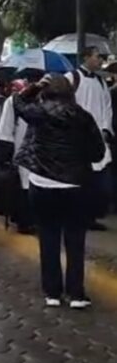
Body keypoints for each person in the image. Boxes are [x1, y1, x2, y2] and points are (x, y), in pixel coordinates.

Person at [15, 75, 105, 308]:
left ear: (47, 92)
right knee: (75, 240)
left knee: (48, 238)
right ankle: (76, 293)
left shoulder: (39, 113)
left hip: (42, 184)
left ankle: (52, 292)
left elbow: (18, 102)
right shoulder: (83, 117)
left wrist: (34, 86)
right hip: (75, 186)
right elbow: (97, 153)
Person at [66, 47, 113, 230]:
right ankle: (80, 217)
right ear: (86, 57)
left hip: (100, 139)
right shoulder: (72, 78)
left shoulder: (101, 82)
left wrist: (106, 129)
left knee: (98, 183)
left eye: (102, 58)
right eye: (97, 57)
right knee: (81, 182)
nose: (101, 60)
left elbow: (106, 108)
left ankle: (92, 216)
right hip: (79, 140)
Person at [0, 79, 34, 233]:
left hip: (40, 154)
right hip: (21, 151)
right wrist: (4, 157)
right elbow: (5, 129)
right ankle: (24, 221)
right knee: (23, 187)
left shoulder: (46, 100)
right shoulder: (13, 102)